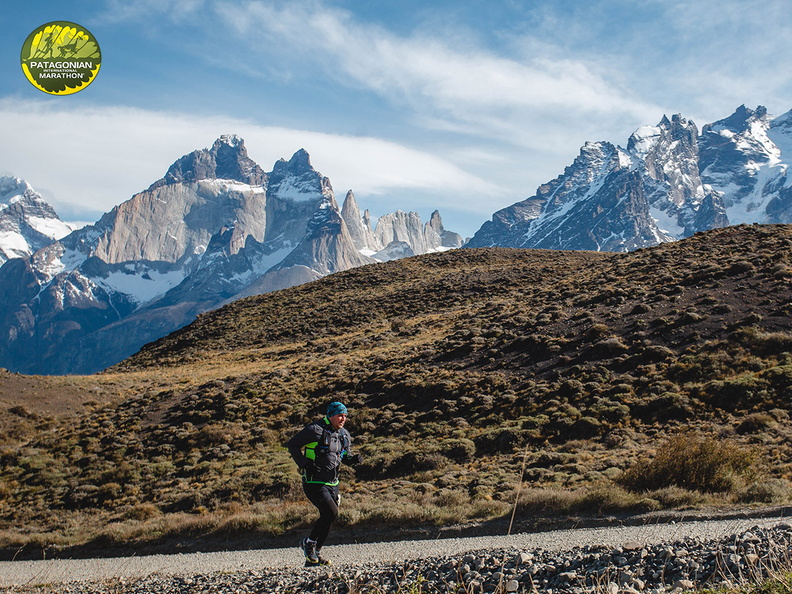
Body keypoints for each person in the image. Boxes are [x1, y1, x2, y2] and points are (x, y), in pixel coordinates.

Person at [286, 401, 362, 567]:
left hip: (333, 482)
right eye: (340, 415)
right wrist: (304, 463)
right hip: (314, 481)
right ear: (331, 415)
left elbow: (343, 456)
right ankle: (309, 542)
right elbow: (292, 444)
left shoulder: (344, 434)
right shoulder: (315, 430)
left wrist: (353, 460)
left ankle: (314, 555)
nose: (343, 419)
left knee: (328, 517)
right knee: (330, 513)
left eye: (345, 416)